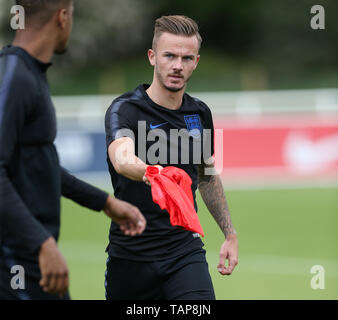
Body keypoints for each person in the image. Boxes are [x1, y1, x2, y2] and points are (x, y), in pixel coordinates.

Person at [0, 0, 146, 300]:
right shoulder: (13, 76)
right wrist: (43, 244)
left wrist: (105, 202)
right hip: (13, 259)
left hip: (30, 257)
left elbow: (39, 164)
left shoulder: (28, 72)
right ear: (63, 17)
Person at [104, 15, 238, 300]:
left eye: (187, 58)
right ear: (153, 57)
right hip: (130, 256)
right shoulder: (125, 109)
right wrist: (153, 174)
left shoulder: (199, 114)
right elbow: (122, 157)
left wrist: (229, 233)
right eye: (170, 56)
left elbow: (206, 175)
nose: (178, 65)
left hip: (184, 250)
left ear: (196, 62)